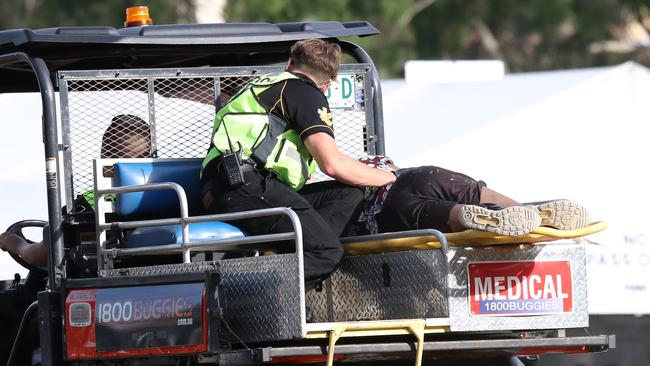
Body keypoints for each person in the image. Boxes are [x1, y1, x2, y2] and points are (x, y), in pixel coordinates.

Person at [200, 39, 397, 290]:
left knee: (347, 194)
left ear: (289, 64)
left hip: (226, 185)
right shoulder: (304, 93)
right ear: (328, 84)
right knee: (326, 252)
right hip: (243, 187)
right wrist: (391, 178)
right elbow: (333, 164)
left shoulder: (264, 85)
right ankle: (256, 302)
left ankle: (297, 253)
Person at [0, 114, 152, 365]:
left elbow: (41, 255)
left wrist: (13, 243)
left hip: (88, 293)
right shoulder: (157, 195)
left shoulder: (91, 202)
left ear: (105, 154)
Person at [356, 156, 592, 237]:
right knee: (472, 192)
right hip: (419, 175)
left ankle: (481, 219)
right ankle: (526, 211)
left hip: (387, 204)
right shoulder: (374, 160)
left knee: (433, 215)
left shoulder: (333, 175)